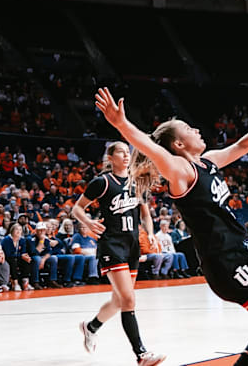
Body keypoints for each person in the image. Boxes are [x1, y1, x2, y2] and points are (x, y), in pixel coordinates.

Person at [95, 86, 248, 366]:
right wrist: (121, 124)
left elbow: (242, 147)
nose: (195, 128)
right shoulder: (182, 171)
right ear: (179, 145)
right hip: (226, 263)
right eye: (187, 128)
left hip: (234, 258)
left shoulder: (207, 163)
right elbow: (154, 151)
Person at [73, 141, 165, 365]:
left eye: (128, 152)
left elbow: (145, 214)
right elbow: (76, 208)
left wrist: (150, 232)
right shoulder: (102, 182)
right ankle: (141, 354)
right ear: (110, 157)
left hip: (132, 244)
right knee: (128, 299)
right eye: (121, 152)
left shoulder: (137, 183)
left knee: (118, 300)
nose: (126, 155)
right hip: (112, 244)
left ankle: (91, 327)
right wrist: (88, 221)